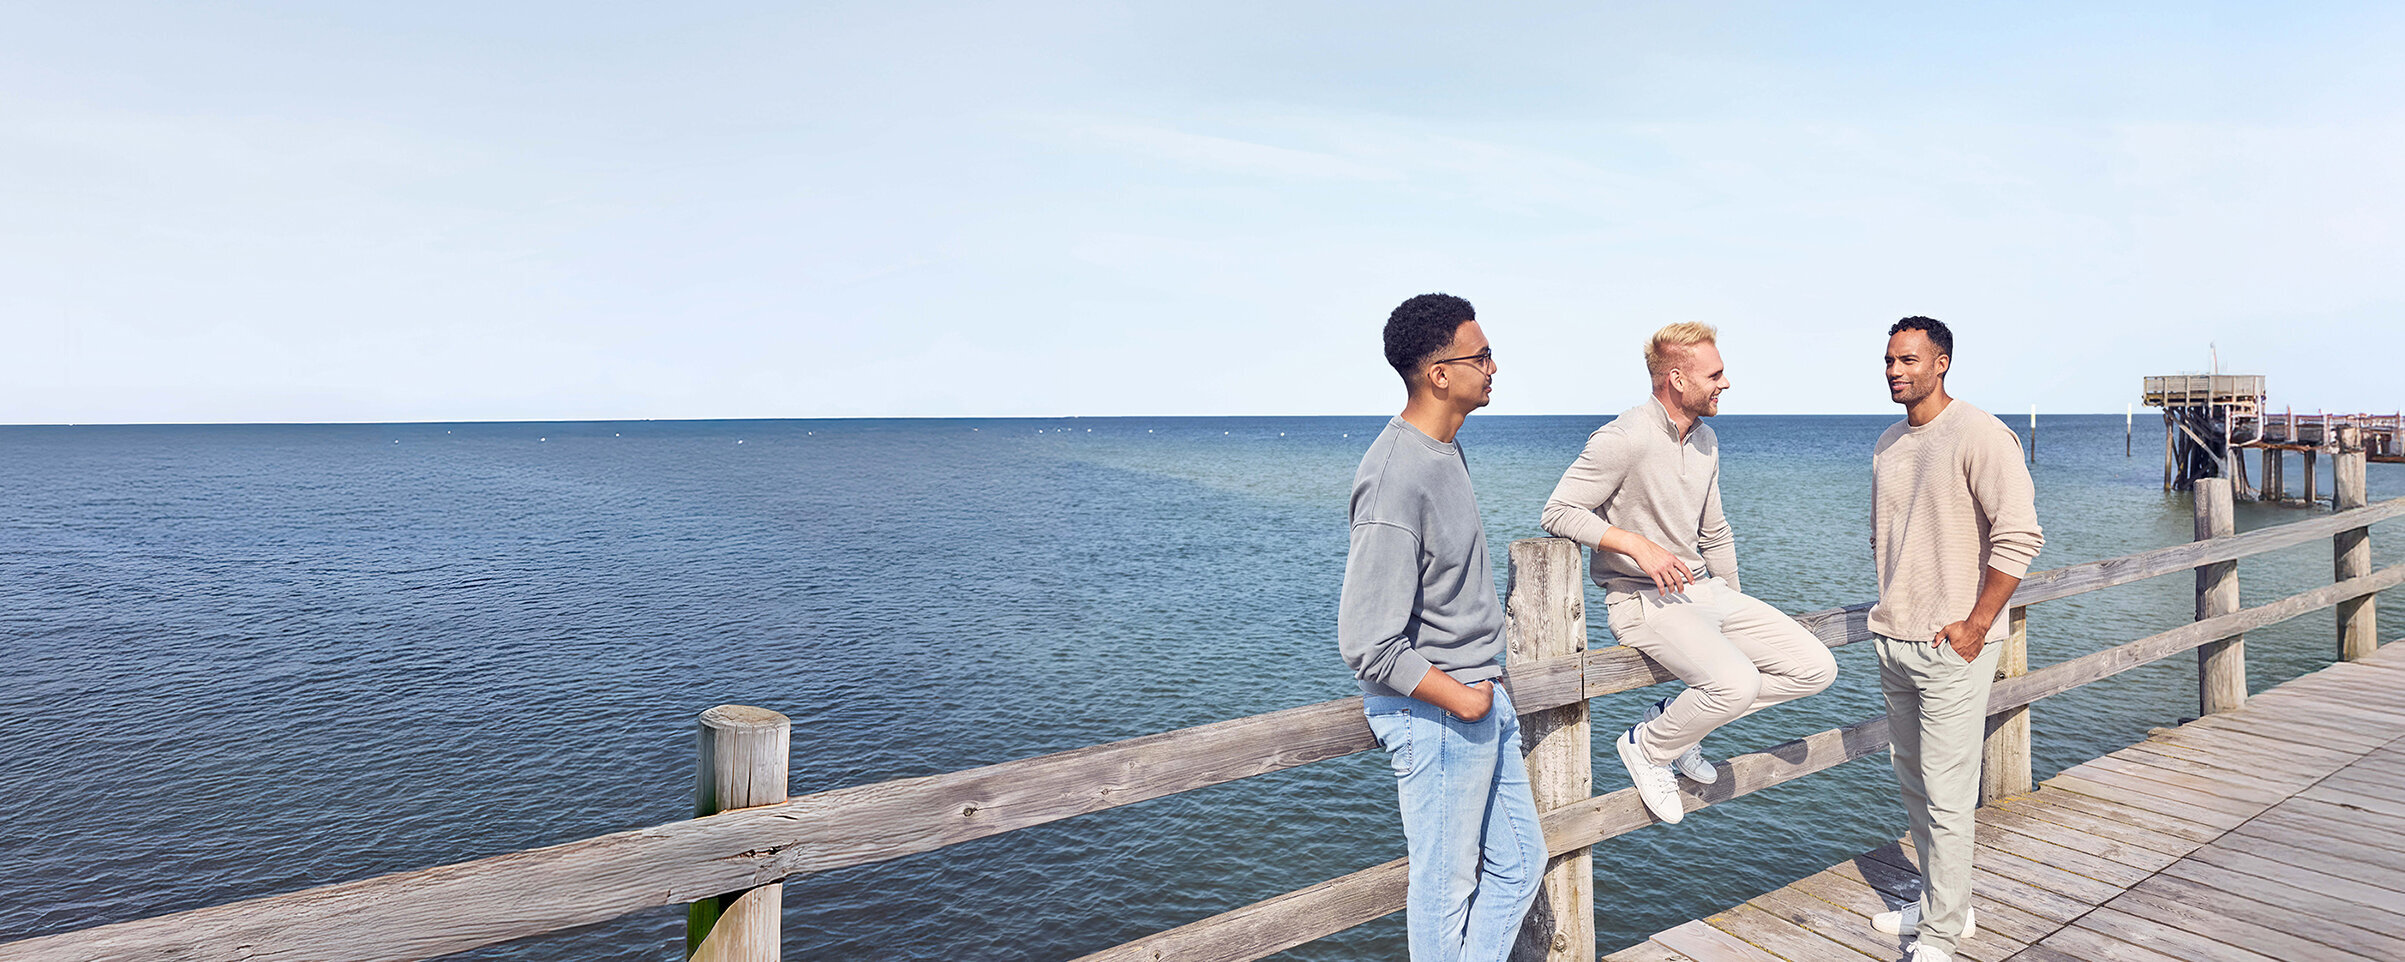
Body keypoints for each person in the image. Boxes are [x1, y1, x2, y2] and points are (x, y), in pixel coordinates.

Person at [1540, 322, 1837, 824]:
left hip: (1706, 592)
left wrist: (1732, 604)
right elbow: (1558, 510)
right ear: (1677, 379)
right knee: (1736, 684)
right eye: (1715, 374)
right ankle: (1650, 746)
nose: (1726, 383)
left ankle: (1677, 727)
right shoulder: (1624, 437)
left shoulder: (1707, 440)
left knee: (1816, 668)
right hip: (1641, 600)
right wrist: (1636, 545)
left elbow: (1715, 533)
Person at [1338, 293, 1544, 962]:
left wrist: (1482, 691)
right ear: (1439, 374)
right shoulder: (1396, 475)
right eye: (1480, 355)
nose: (1493, 366)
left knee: (1520, 864)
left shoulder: (1441, 451)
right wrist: (1460, 696)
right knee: (1444, 888)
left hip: (1478, 700)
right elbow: (1366, 641)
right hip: (1438, 713)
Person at [1866, 316, 2043, 962]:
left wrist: (1975, 623)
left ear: (1940, 363)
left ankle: (1941, 935)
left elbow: (2019, 534)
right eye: (1888, 360)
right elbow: (1882, 536)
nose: (1894, 370)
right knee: (1913, 782)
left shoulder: (1979, 435)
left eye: (1908, 360)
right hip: (1894, 639)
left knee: (1946, 793)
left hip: (1952, 647)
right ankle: (1946, 903)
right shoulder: (1887, 443)